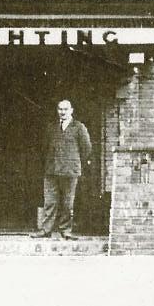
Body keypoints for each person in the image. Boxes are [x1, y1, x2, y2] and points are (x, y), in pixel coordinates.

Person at [34, 99, 92, 240]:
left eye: (65, 109)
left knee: (67, 202)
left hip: (70, 171)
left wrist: (74, 162)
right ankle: (45, 230)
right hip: (51, 170)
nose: (62, 112)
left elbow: (86, 148)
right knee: (50, 201)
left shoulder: (79, 127)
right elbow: (44, 148)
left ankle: (65, 230)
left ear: (71, 110)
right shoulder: (52, 127)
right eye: (60, 109)